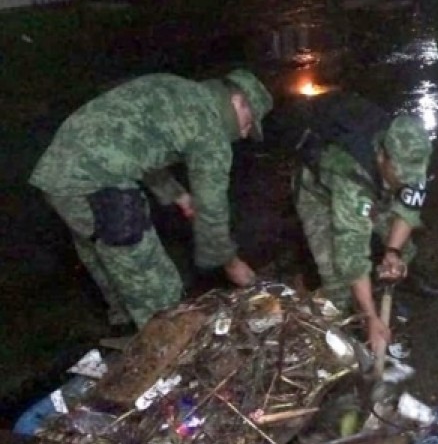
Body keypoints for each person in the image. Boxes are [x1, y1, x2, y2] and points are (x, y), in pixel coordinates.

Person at [29, 69, 273, 329]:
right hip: (98, 182)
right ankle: (171, 352)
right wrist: (231, 263)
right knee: (158, 288)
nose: (245, 133)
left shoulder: (174, 86)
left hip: (57, 176)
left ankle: (126, 333)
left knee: (109, 259)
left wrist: (178, 195)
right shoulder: (210, 128)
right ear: (238, 101)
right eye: (249, 122)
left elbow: (138, 144)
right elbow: (212, 209)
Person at [293, 92, 432, 352]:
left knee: (404, 246)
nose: (408, 182)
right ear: (382, 157)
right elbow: (352, 256)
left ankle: (399, 285)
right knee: (337, 278)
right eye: (401, 176)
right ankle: (349, 330)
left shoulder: (413, 154)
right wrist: (370, 318)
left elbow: (409, 207)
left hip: (374, 185)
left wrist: (393, 251)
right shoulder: (352, 178)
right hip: (318, 192)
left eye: (411, 176)